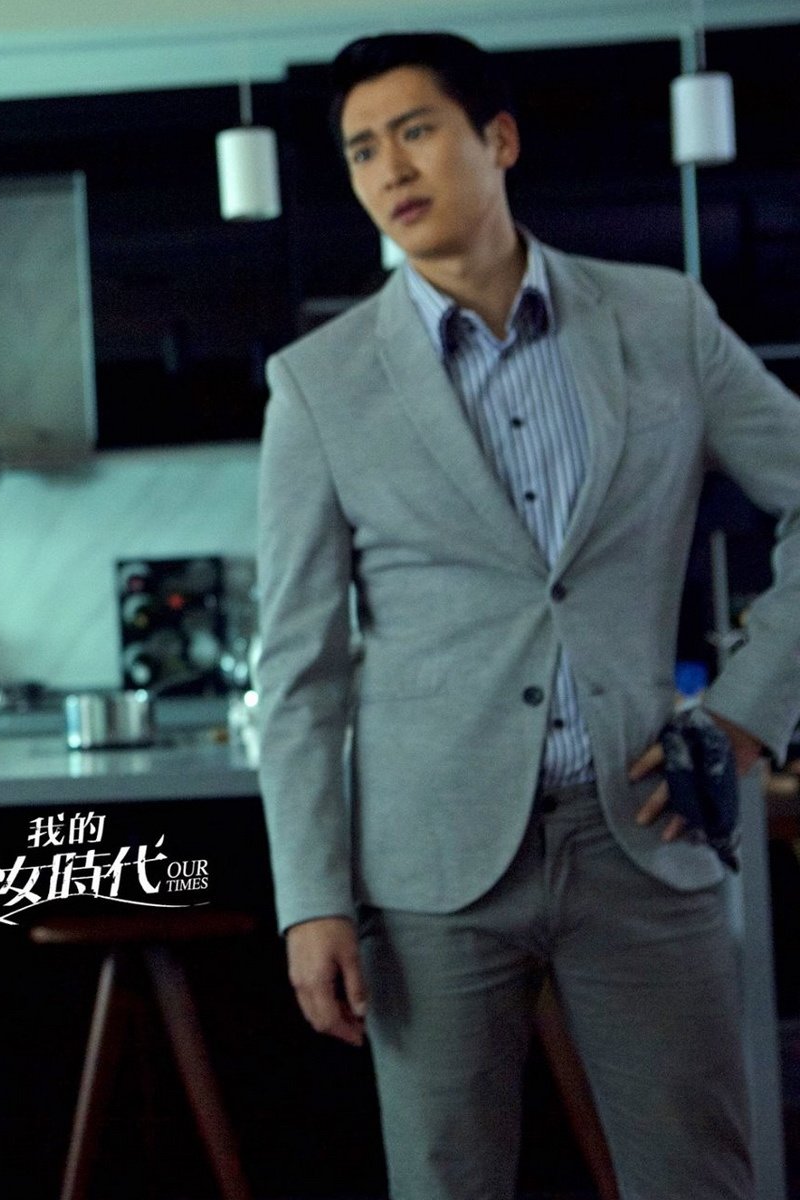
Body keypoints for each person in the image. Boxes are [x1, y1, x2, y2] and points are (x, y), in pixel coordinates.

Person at [253, 30, 800, 1199]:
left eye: (416, 131)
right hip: (428, 860)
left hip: (641, 829)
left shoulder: (662, 319)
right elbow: (298, 666)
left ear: (497, 139)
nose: (391, 168)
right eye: (362, 150)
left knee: (698, 1178)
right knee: (447, 1184)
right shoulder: (318, 383)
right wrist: (311, 900)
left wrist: (749, 714)